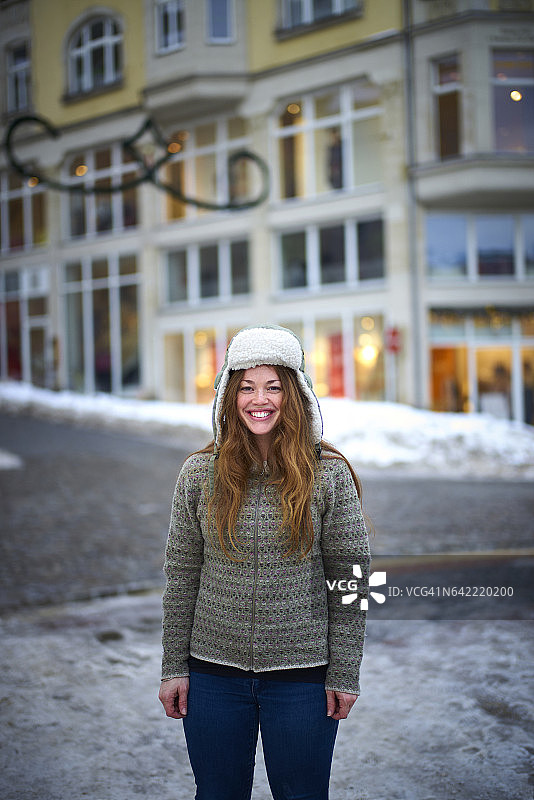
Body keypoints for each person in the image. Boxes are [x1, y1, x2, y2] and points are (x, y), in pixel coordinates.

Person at [159, 324, 370, 800]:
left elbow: (351, 580)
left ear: (293, 395)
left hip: (303, 681)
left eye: (274, 386)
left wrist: (344, 672)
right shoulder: (199, 475)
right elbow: (181, 576)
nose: (261, 399)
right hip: (212, 677)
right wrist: (174, 666)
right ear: (229, 396)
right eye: (247, 386)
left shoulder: (327, 475)